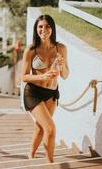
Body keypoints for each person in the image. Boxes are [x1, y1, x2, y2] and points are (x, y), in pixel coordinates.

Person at [21, 15, 69, 163]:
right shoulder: (31, 50)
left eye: (47, 26)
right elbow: (23, 77)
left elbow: (65, 75)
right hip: (33, 93)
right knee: (50, 128)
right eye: (40, 27)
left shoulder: (61, 48)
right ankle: (50, 163)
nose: (44, 30)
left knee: (40, 127)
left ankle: (31, 153)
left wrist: (61, 66)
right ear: (36, 29)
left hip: (51, 94)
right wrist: (42, 77)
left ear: (52, 28)